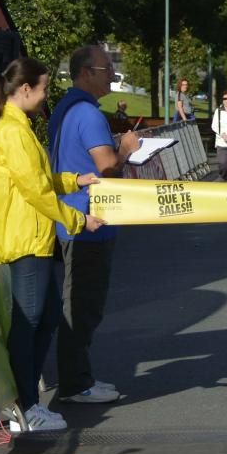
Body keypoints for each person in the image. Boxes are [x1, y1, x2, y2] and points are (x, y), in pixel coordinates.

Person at [0, 58, 105, 431]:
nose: (47, 94)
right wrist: (79, 219)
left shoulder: (15, 127)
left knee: (44, 318)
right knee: (29, 321)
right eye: (45, 88)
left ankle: (27, 404)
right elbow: (35, 188)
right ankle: (26, 407)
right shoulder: (12, 131)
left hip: (30, 235)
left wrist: (72, 180)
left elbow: (38, 178)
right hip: (24, 238)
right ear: (25, 90)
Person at [47, 45, 140, 405]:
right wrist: (127, 149)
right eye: (107, 69)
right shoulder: (87, 114)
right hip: (89, 221)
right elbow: (107, 168)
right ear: (87, 72)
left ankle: (78, 378)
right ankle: (76, 383)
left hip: (74, 218)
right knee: (84, 303)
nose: (113, 74)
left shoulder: (67, 109)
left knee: (79, 301)